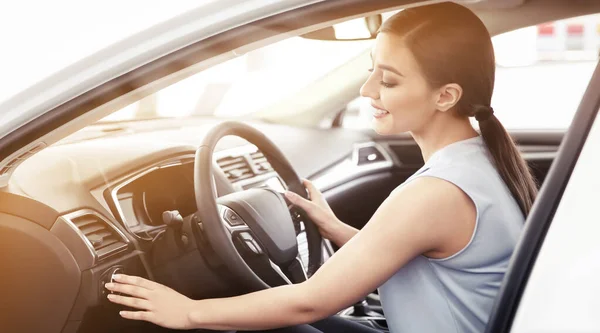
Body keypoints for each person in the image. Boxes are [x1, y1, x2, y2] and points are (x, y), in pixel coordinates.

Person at [104, 2, 537, 332]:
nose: (368, 90)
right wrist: (335, 229)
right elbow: (418, 256)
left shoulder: (438, 192)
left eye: (388, 80)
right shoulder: (481, 160)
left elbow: (311, 301)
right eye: (371, 73)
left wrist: (189, 313)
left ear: (446, 96)